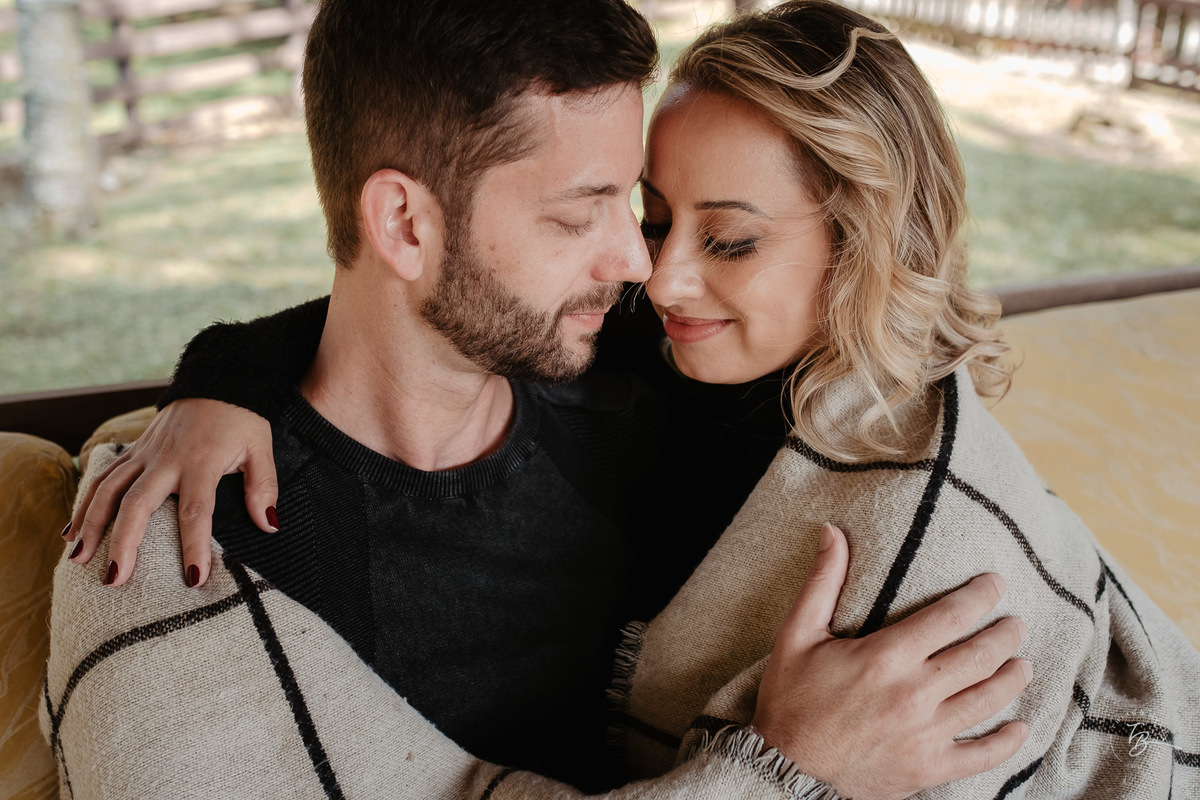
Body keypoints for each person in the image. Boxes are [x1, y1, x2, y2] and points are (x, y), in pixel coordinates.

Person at [52, 1, 1033, 798]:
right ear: (401, 221)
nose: (639, 260)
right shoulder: (209, 533)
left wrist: (223, 368)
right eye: (583, 212)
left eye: (632, 203)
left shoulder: (649, 398)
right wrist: (788, 767)